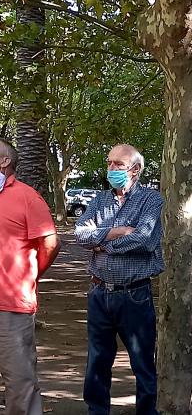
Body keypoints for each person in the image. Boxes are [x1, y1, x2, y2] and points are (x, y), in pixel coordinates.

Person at [74, 144, 163, 415]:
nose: (111, 168)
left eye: (117, 165)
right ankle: (97, 411)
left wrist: (102, 242)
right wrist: (117, 231)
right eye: (109, 163)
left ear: (135, 170)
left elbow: (144, 239)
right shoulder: (100, 200)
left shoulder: (151, 199)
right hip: (99, 292)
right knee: (97, 361)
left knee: (143, 363)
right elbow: (80, 233)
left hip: (134, 295)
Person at [0, 138, 61, 415]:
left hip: (10, 306)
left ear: (4, 162)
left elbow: (50, 243)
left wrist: (31, 275)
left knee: (20, 381)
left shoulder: (27, 197)